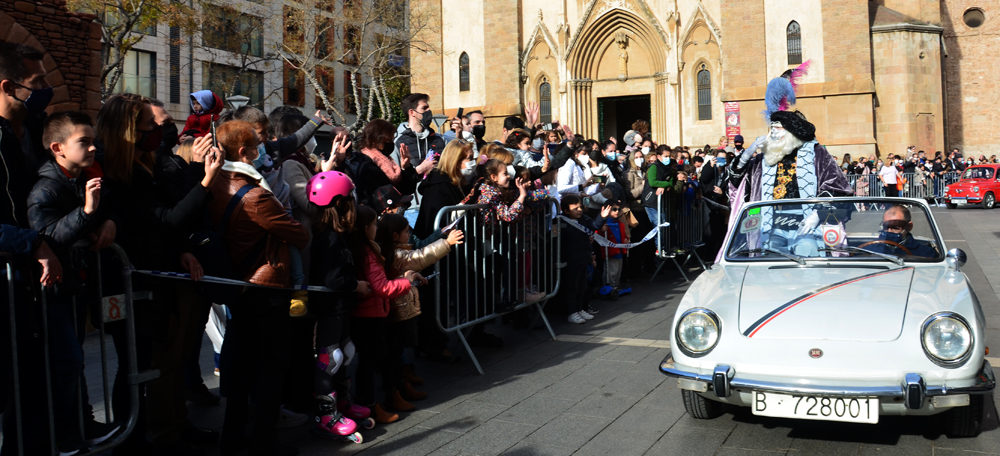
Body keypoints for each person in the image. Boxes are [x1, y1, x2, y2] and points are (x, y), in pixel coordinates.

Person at [207, 120, 309, 456]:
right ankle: (265, 440)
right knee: (270, 369)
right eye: (257, 145)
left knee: (237, 369)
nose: (262, 149)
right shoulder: (256, 196)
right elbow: (299, 233)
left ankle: (232, 437)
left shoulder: (217, 182)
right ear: (243, 152)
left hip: (240, 287)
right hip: (266, 288)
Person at [27, 111, 121, 454]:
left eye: (93, 140)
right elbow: (46, 237)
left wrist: (107, 218)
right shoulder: (47, 186)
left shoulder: (80, 177)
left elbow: (109, 208)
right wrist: (85, 211)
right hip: (53, 291)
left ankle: (82, 424)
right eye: (84, 141)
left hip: (73, 287)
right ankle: (65, 436)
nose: (94, 147)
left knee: (74, 361)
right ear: (58, 148)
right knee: (65, 363)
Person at [306, 170, 370, 441]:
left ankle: (342, 403)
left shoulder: (335, 234)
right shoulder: (329, 238)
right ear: (340, 203)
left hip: (340, 306)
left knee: (346, 351)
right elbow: (334, 279)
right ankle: (325, 415)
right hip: (330, 308)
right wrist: (357, 285)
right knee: (329, 359)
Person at [349, 205, 424, 421]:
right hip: (369, 315)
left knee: (375, 359)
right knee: (370, 362)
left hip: (373, 312)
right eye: (373, 224)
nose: (376, 228)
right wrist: (406, 282)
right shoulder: (367, 252)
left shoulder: (368, 248)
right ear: (365, 227)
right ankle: (370, 405)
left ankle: (383, 398)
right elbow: (381, 287)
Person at [561, 195, 610, 323]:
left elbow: (593, 225)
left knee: (583, 287)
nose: (579, 210)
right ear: (566, 211)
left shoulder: (583, 219)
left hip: (583, 259)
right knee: (573, 288)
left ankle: (581, 308)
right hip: (572, 261)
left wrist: (602, 217)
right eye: (575, 208)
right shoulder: (562, 222)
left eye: (580, 207)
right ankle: (572, 312)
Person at [393, 93, 444, 175]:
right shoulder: (397, 142)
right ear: (412, 112)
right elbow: (395, 177)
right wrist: (421, 169)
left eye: (428, 107)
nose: (429, 111)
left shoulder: (439, 139)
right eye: (424, 108)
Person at [865, 205, 938, 258]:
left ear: (909, 226)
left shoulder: (925, 253)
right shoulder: (868, 250)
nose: (889, 231)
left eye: (896, 227)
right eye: (886, 227)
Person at [597, 203, 629, 293]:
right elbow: (597, 235)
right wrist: (602, 231)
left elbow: (623, 235)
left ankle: (615, 286)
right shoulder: (604, 223)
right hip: (610, 252)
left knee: (618, 271)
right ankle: (609, 286)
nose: (617, 212)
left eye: (618, 209)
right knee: (611, 271)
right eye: (614, 209)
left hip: (620, 251)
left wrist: (626, 239)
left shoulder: (620, 223)